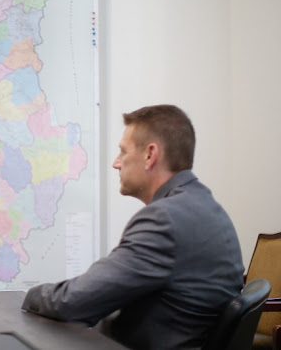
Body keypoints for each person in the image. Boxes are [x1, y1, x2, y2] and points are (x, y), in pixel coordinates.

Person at [21, 104, 244, 350]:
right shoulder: (207, 207)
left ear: (150, 155)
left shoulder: (164, 220)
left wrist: (29, 296)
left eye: (123, 151)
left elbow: (73, 302)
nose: (116, 163)